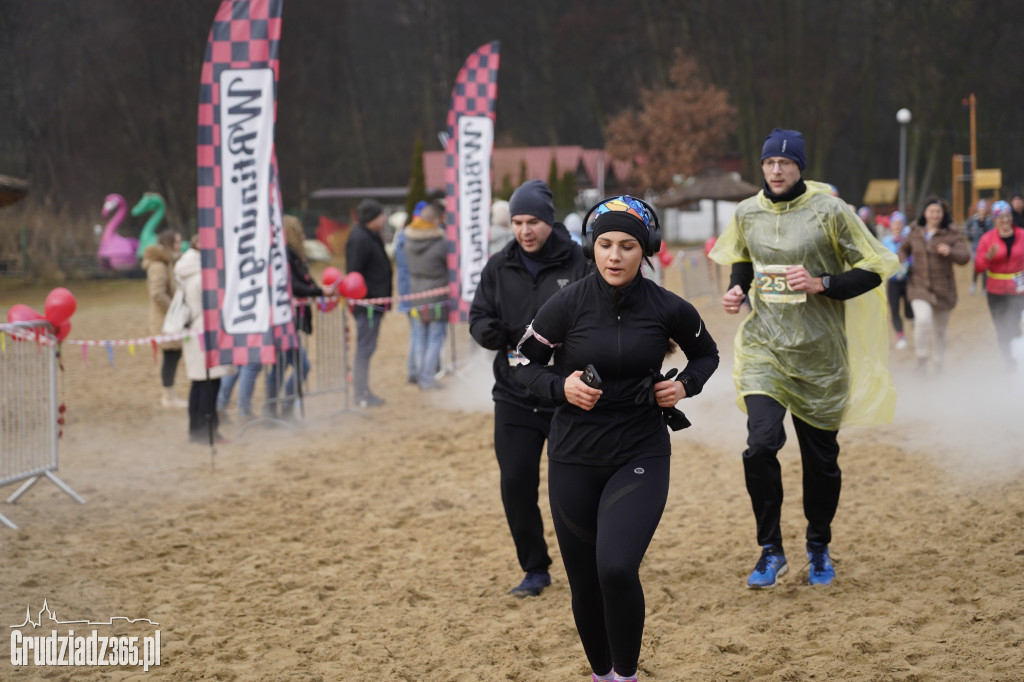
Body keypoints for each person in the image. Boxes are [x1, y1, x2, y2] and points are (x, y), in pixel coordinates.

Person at [515, 195, 719, 682]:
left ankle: (626, 676)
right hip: (574, 456)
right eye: (605, 244)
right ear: (592, 247)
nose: (614, 255)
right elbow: (521, 363)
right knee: (585, 580)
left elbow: (707, 356)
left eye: (627, 246)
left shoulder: (669, 307)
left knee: (617, 568)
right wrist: (558, 386)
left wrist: (685, 385)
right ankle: (602, 674)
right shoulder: (566, 304)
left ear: (645, 250)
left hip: (640, 450)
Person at [708, 128, 899, 590]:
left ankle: (818, 544)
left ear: (800, 167)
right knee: (760, 445)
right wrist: (737, 289)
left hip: (821, 356)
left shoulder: (830, 211)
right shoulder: (747, 212)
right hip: (765, 349)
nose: (776, 170)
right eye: (769, 162)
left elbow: (873, 267)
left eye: (785, 163)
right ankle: (770, 549)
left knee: (821, 463)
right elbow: (743, 260)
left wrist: (823, 284)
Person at [469, 179, 588, 598]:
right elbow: (478, 315)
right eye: (517, 221)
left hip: (566, 397)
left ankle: (585, 564)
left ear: (549, 222)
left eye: (533, 221)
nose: (524, 230)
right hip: (514, 394)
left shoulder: (579, 261)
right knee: (516, 483)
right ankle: (535, 567)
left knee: (569, 491)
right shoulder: (499, 265)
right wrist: (495, 333)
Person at [898, 196, 971, 374]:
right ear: (924, 213)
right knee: (922, 322)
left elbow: (965, 256)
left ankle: (938, 363)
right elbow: (903, 249)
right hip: (918, 286)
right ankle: (921, 361)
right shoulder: (915, 232)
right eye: (931, 211)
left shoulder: (951, 233)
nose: (934, 215)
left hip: (944, 289)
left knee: (940, 331)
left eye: (938, 211)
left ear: (943, 214)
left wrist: (951, 251)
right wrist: (903, 264)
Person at [176, 235, 234, 443]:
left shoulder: (187, 272)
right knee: (209, 384)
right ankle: (208, 432)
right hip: (205, 332)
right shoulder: (202, 276)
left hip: (194, 332)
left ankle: (197, 430)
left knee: (199, 383)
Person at [266, 216, 323, 419]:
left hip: (286, 319)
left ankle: (273, 411)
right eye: (300, 231)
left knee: (279, 368)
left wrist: (318, 289)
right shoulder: (285, 254)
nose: (304, 235)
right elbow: (293, 285)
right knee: (301, 366)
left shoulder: (288, 254)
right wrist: (319, 292)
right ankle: (282, 409)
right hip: (284, 321)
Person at [345, 198, 393, 408]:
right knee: (364, 349)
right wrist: (365, 299)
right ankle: (360, 394)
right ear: (372, 218)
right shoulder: (359, 239)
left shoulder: (371, 236)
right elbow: (354, 273)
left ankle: (364, 390)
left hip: (375, 303)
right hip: (367, 306)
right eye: (381, 215)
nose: (385, 218)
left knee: (368, 348)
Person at [973, 200, 1024, 370]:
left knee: (1015, 325)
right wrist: (988, 257)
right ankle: (1008, 361)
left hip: (1019, 288)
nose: (1005, 220)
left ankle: (1018, 360)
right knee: (1002, 327)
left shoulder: (1022, 235)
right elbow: (979, 267)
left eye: (1007, 215)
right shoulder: (987, 239)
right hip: (996, 291)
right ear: (994, 219)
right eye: (1000, 217)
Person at [402, 202, 449, 390]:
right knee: (435, 337)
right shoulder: (442, 242)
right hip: (437, 296)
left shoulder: (407, 240)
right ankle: (427, 378)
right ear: (436, 220)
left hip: (416, 294)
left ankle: (419, 374)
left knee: (419, 336)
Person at [142, 227, 187, 408]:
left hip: (171, 318)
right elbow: (157, 293)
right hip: (165, 320)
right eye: (176, 242)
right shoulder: (158, 266)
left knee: (175, 355)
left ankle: (170, 394)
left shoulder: (170, 262)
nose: (179, 245)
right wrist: (175, 309)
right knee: (170, 356)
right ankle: (168, 396)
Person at [880, 211, 914, 350]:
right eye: (895, 223)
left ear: (903, 225)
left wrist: (907, 265)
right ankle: (901, 337)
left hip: (908, 281)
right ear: (891, 225)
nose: (897, 226)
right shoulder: (886, 241)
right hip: (893, 282)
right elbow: (882, 258)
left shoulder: (909, 240)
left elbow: (913, 256)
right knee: (894, 310)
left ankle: (915, 326)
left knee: (909, 310)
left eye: (900, 224)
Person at [964, 199, 993, 294]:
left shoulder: (989, 220)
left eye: (984, 208)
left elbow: (992, 233)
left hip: (986, 248)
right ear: (978, 209)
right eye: (981, 208)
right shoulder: (973, 219)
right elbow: (966, 229)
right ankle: (974, 284)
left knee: (985, 268)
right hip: (975, 247)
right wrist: (970, 235)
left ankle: (984, 288)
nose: (982, 210)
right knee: (977, 266)